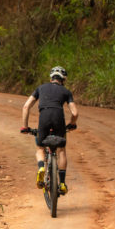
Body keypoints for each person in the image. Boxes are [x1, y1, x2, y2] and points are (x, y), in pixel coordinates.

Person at [20, 66, 79, 194]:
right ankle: (62, 183)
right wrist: (72, 124)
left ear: (51, 78)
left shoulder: (40, 88)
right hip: (58, 119)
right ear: (63, 79)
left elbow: (26, 107)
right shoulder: (66, 92)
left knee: (40, 148)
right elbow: (75, 113)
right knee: (61, 150)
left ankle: (41, 167)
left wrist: (25, 127)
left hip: (44, 118)